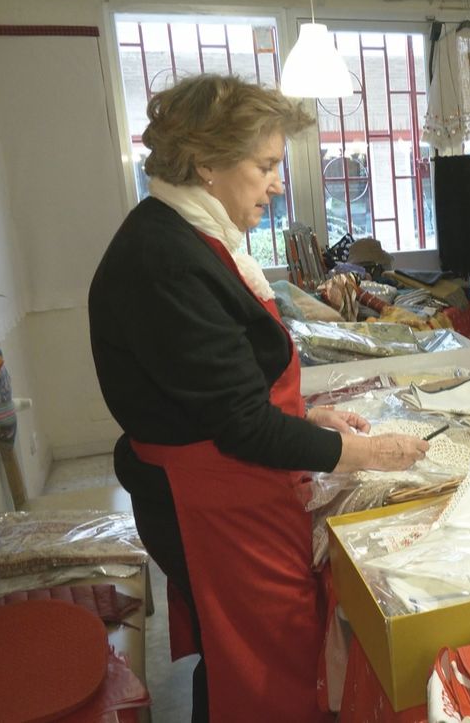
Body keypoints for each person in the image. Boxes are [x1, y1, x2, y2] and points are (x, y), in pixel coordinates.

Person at [88, 74, 428, 721]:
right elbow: (239, 425)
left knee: (236, 657)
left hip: (224, 486)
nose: (278, 182)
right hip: (211, 503)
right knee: (260, 668)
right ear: (207, 164)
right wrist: (362, 452)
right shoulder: (163, 258)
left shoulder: (185, 237)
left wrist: (301, 415)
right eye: (266, 165)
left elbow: (215, 389)